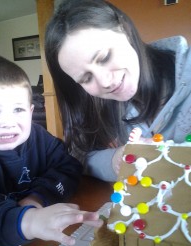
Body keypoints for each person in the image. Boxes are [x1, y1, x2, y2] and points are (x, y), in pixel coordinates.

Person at [0, 54, 102, 246]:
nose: (8, 122)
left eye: (18, 110)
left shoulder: (37, 136)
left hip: (38, 243)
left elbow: (69, 165)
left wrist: (37, 198)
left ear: (30, 112)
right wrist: (29, 222)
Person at [44, 0, 191, 182]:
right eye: (86, 78)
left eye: (104, 57)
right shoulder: (100, 103)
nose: (105, 82)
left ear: (125, 30)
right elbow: (79, 155)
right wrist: (115, 160)